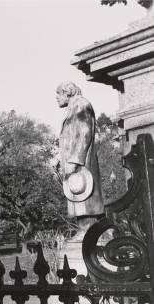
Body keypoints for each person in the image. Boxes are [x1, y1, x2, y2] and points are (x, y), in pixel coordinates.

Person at [52, 81, 104, 240]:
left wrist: (75, 160)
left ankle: (89, 229)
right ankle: (86, 228)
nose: (56, 98)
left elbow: (84, 132)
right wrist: (59, 157)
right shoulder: (73, 107)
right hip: (73, 160)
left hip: (80, 162)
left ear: (67, 92)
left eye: (58, 94)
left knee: (83, 193)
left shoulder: (81, 104)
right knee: (78, 193)